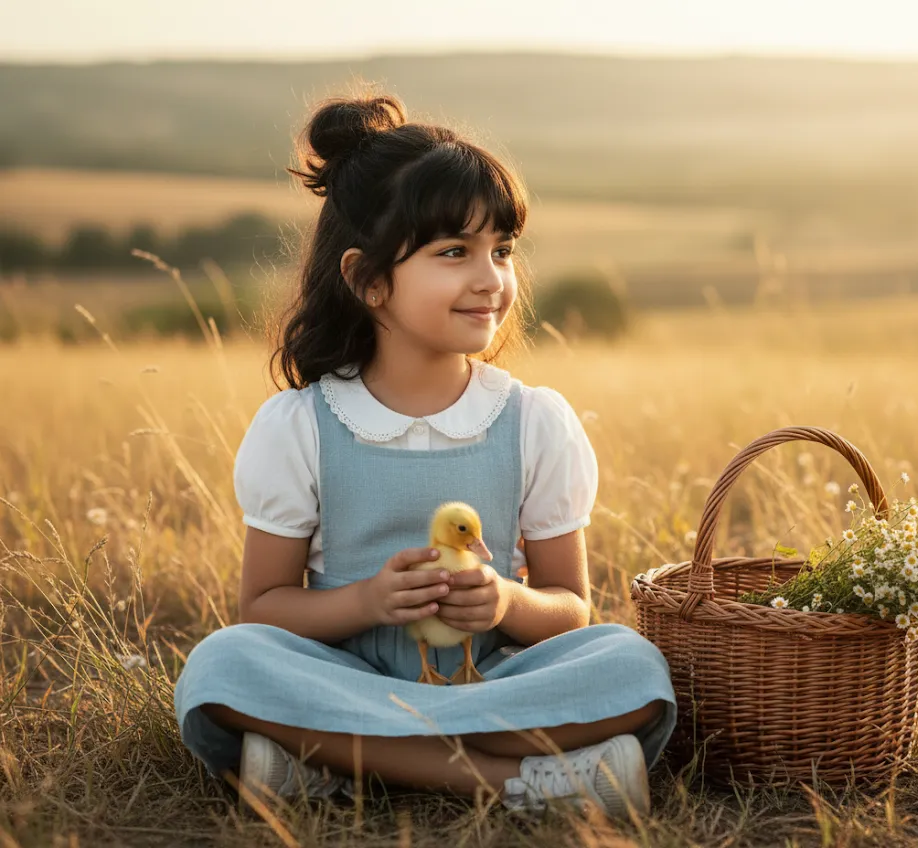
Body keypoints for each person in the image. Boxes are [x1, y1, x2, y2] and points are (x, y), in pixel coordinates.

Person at [173, 89, 677, 819]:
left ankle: (328, 761)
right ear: (368, 280)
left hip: (497, 681)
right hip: (344, 673)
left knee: (632, 665)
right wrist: (364, 602)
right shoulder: (302, 425)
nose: (491, 278)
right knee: (223, 663)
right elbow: (263, 609)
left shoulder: (533, 420)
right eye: (453, 253)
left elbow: (572, 609)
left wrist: (505, 600)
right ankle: (524, 783)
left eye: (501, 250)